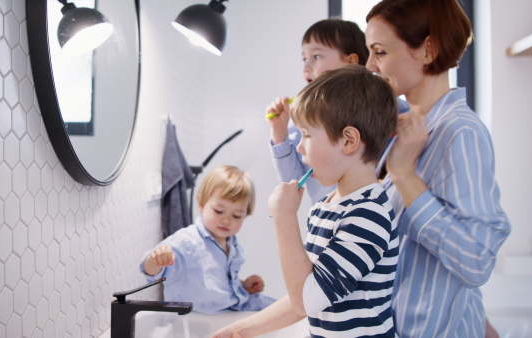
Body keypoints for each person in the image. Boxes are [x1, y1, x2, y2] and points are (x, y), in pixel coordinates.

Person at [213, 64, 400, 337]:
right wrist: (239, 330)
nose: (299, 146)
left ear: (348, 140)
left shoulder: (368, 215)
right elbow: (310, 293)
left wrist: (284, 216)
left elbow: (305, 300)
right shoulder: (327, 206)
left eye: (307, 135)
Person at [364, 0, 511, 336]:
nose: (371, 65)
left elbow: (476, 261)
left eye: (380, 52)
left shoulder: (461, 132)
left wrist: (404, 176)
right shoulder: (403, 128)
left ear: (428, 49)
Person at [139, 165, 276, 314]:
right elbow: (148, 270)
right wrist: (156, 259)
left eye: (236, 215)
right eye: (218, 211)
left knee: (282, 310)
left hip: (233, 308)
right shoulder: (187, 242)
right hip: (198, 321)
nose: (226, 220)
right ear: (201, 204)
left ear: (246, 215)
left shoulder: (232, 244)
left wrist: (243, 286)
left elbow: (221, 281)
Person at [266, 18, 371, 203]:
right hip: (324, 221)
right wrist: (279, 132)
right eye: (304, 58)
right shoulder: (302, 119)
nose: (306, 67)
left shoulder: (379, 109)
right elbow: (294, 180)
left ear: (351, 61)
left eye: (316, 56)